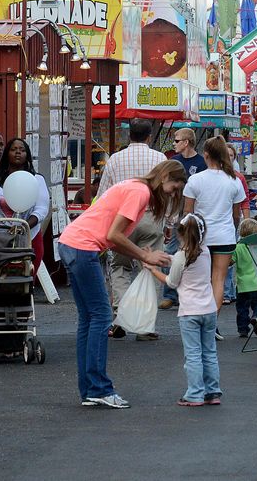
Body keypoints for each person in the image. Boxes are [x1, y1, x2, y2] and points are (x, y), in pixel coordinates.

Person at [56, 160, 185, 408]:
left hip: (71, 243)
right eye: (173, 188)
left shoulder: (135, 186)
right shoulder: (140, 192)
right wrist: (145, 255)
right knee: (102, 316)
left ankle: (90, 389)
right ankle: (99, 387)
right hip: (83, 247)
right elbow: (113, 235)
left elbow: (112, 236)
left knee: (89, 318)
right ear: (165, 176)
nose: (171, 193)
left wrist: (140, 253)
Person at [98, 118, 167, 338]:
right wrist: (170, 222)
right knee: (151, 268)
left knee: (120, 267)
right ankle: (145, 325)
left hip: (121, 222)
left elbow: (103, 194)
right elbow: (166, 192)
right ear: (149, 137)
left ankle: (120, 317)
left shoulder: (115, 159)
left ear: (129, 136)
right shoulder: (160, 158)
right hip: (151, 216)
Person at [147, 213, 221, 407]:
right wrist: (168, 259)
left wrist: (153, 270)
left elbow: (172, 282)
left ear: (181, 234)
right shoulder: (205, 251)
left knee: (193, 354)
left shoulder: (182, 255)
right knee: (209, 352)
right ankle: (212, 392)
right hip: (209, 309)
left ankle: (195, 393)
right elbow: (184, 260)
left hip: (189, 312)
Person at [182, 136, 245, 324]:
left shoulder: (195, 180)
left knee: (201, 281)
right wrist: (232, 229)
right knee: (219, 279)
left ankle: (199, 318)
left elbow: (188, 212)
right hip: (225, 236)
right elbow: (237, 214)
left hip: (201, 237)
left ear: (206, 155)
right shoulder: (234, 181)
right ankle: (212, 322)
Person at [0, 137, 51, 267]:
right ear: (6, 154)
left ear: (27, 155)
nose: (18, 152)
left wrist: (24, 226)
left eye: (22, 150)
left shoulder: (37, 180)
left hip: (29, 239)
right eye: (13, 149)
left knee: (25, 280)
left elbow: (41, 209)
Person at [160, 128, 206, 311]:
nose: (174, 144)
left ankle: (188, 292)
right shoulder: (173, 162)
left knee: (193, 253)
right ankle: (169, 294)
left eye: (177, 140)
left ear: (186, 142)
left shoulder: (201, 163)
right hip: (175, 214)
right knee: (169, 251)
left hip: (194, 216)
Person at [222, 143, 253, 305]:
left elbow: (245, 201)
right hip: (219, 222)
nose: (228, 158)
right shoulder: (215, 175)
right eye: (225, 154)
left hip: (234, 221)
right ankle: (227, 290)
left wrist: (246, 222)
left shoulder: (238, 177)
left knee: (232, 256)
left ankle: (228, 291)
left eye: (231, 155)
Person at [232, 218, 257, 339]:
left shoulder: (238, 247)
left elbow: (231, 261)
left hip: (242, 284)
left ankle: (243, 329)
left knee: (242, 308)